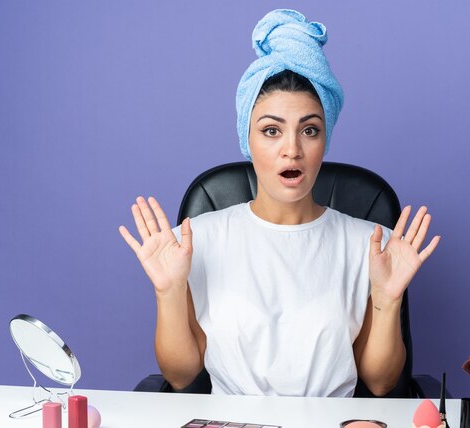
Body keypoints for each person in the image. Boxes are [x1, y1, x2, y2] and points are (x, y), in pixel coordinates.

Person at [119, 9, 440, 398]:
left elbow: (379, 382)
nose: (292, 150)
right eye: (271, 130)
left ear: (325, 139)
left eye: (310, 130)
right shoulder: (198, 239)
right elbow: (183, 375)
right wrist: (168, 292)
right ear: (247, 140)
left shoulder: (370, 245)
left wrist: (388, 301)